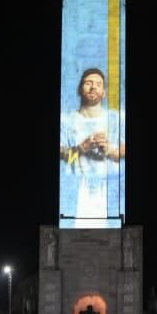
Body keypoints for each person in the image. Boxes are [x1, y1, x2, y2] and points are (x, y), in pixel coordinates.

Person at [59, 66, 126, 222]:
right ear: (80, 89)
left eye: (98, 84)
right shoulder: (66, 120)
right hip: (77, 194)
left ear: (104, 93)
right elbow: (65, 158)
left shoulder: (116, 119)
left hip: (109, 194)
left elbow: (121, 153)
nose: (93, 87)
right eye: (88, 83)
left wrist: (109, 150)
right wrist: (83, 147)